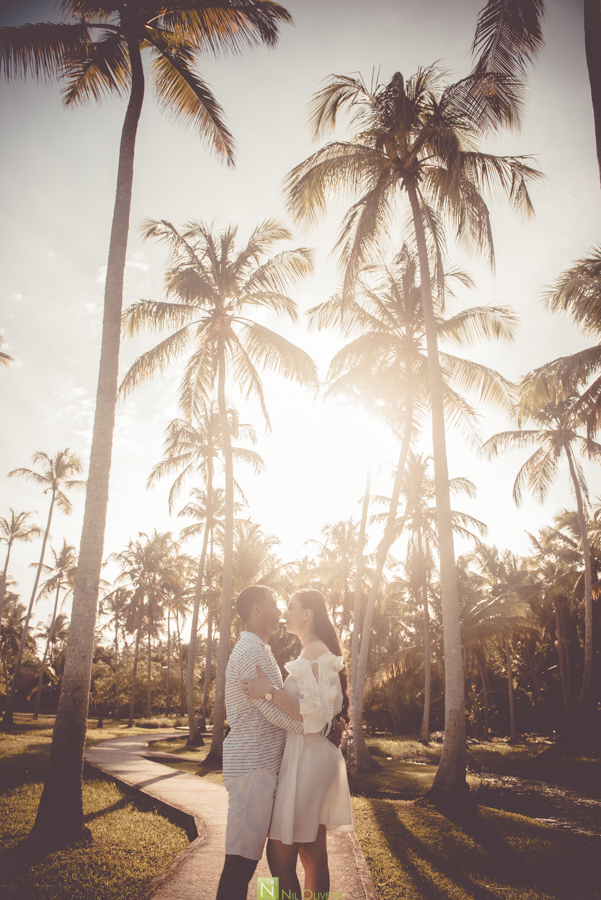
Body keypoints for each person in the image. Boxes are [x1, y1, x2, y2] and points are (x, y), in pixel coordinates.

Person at [216, 584, 332, 900]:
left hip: (286, 768)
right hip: (257, 769)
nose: (280, 611)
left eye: (286, 605)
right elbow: (272, 712)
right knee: (245, 862)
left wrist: (318, 724)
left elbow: (278, 705)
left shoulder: (266, 650)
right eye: (274, 604)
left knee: (285, 859)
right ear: (256, 609)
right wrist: (318, 727)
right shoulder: (253, 651)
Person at [241, 588, 354, 900]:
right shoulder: (315, 651)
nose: (284, 612)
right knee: (312, 853)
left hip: (308, 760)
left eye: (290, 606)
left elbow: (315, 716)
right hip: (312, 757)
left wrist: (269, 692)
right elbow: (322, 715)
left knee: (277, 859)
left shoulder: (314, 653)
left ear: (308, 614)